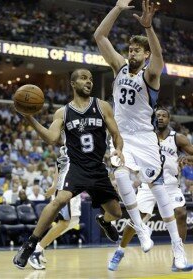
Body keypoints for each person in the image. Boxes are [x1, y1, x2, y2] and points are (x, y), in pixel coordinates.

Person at [94, 0, 187, 269]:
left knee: (159, 190)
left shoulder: (151, 75)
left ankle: (178, 252)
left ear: (145, 54)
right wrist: (118, 8)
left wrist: (148, 28)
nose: (132, 53)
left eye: (137, 50)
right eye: (130, 49)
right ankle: (141, 230)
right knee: (119, 171)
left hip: (146, 138)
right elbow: (99, 36)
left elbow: (160, 57)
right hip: (122, 136)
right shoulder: (118, 67)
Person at [13, 68, 125, 269]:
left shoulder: (102, 106)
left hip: (98, 168)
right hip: (76, 166)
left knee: (116, 213)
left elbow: (116, 134)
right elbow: (51, 138)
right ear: (73, 84)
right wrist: (29, 117)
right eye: (83, 78)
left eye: (90, 79)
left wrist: (118, 149)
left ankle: (105, 222)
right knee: (60, 199)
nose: (89, 82)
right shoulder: (63, 112)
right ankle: (30, 245)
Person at [108, 108, 193, 271]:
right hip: (149, 183)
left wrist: (188, 158)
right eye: (158, 115)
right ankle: (120, 250)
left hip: (170, 185)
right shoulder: (146, 137)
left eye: (164, 116)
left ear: (169, 119)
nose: (160, 118)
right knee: (136, 221)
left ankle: (177, 258)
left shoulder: (178, 138)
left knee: (181, 214)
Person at [28, 148, 82, 270]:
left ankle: (40, 246)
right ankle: (36, 250)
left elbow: (60, 164)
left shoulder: (75, 145)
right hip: (66, 189)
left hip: (74, 188)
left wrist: (53, 185)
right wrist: (54, 185)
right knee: (64, 223)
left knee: (73, 222)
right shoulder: (70, 144)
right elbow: (61, 163)